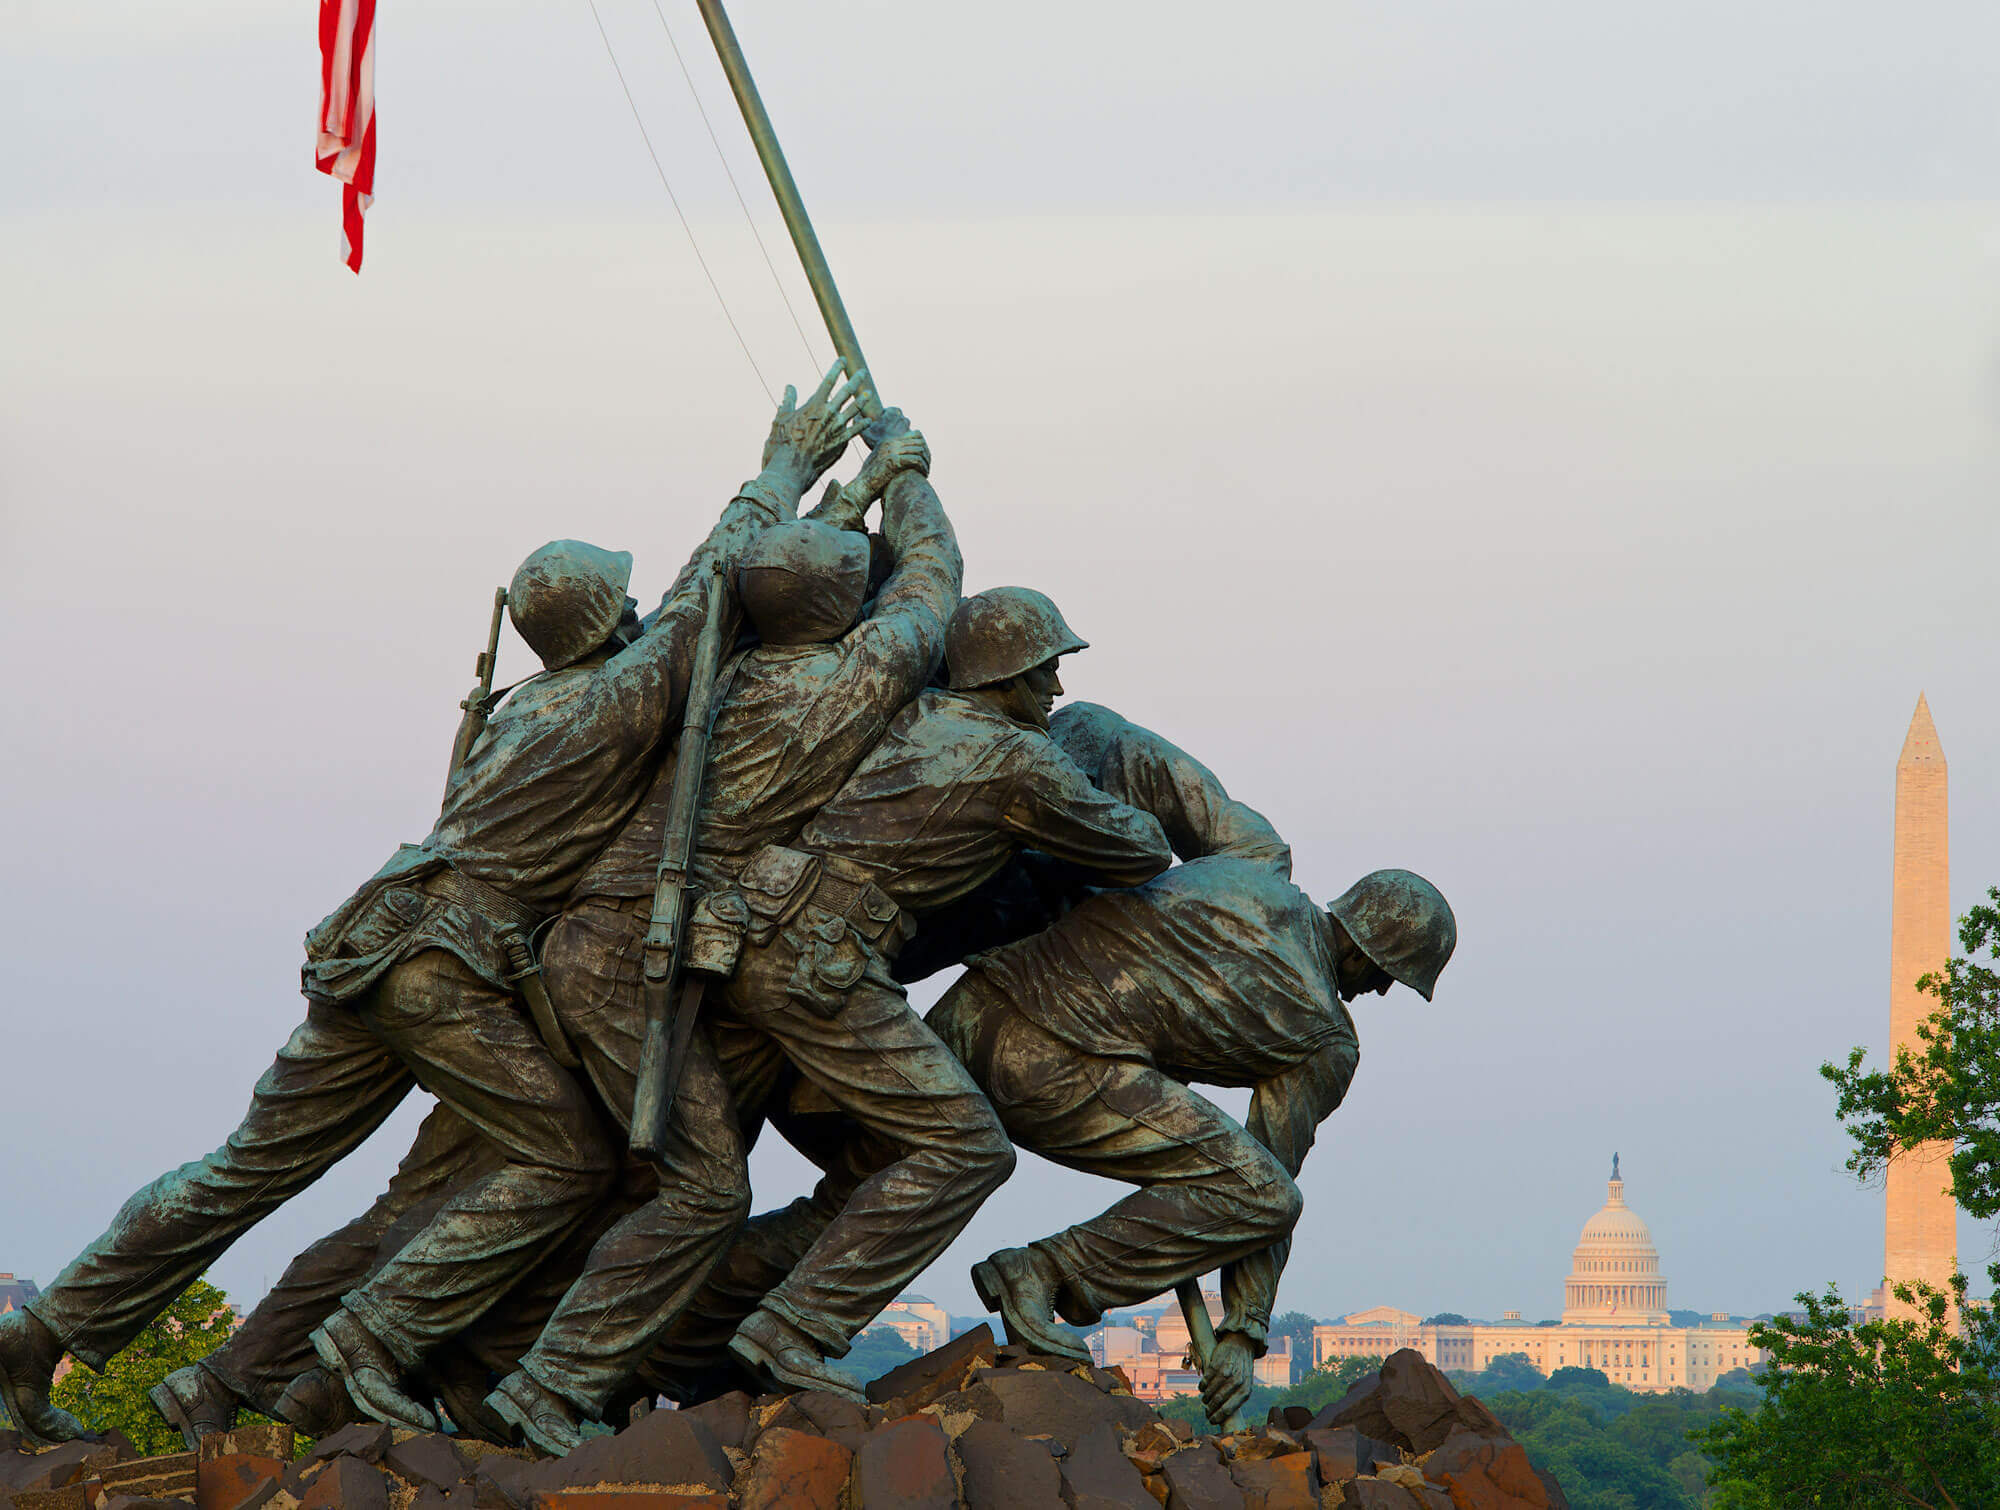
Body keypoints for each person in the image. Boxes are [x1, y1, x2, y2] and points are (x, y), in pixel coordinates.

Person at [0, 365, 868, 1447]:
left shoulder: (525, 705)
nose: (645, 608)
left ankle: (43, 1331)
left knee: (243, 1168)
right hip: (444, 965)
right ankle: (370, 1343)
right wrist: (779, 477)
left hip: (378, 939)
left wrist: (825, 516)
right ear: (606, 623)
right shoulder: (606, 704)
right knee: (565, 1158)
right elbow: (703, 602)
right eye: (626, 603)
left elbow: (705, 607)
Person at [487, 585, 1172, 1444]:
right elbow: (1140, 848)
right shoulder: (1018, 761)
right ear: (1005, 676)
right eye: (1047, 673)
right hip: (819, 963)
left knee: (838, 1167)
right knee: (965, 1148)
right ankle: (790, 1329)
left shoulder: (910, 718)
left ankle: (653, 1354)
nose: (1056, 695)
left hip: (749, 943)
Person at [928, 703, 1457, 1425]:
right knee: (1264, 1195)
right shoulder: (1326, 1039)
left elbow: (1118, 742)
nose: (1384, 990)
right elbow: (1266, 1191)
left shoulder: (1251, 856)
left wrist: (1044, 752)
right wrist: (1243, 1332)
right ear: (1374, 954)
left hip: (971, 1005)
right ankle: (1043, 1270)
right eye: (1393, 974)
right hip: (1044, 1065)